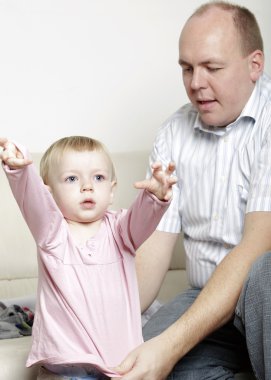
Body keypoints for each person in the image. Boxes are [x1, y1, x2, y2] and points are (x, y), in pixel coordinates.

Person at [114, 2, 271, 380]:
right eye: (186, 68)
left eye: (212, 68)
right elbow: (152, 256)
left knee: (267, 272)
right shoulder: (173, 133)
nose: (196, 83)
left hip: (262, 295)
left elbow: (255, 248)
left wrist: (171, 347)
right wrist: (97, 329)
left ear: (255, 64)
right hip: (204, 298)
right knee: (139, 362)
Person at [0, 136, 177, 380]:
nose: (87, 186)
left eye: (98, 177)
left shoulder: (121, 231)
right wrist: (20, 171)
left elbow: (143, 217)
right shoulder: (52, 233)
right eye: (72, 179)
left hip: (120, 365)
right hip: (66, 366)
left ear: (112, 191)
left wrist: (155, 197)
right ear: (48, 194)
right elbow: (32, 201)